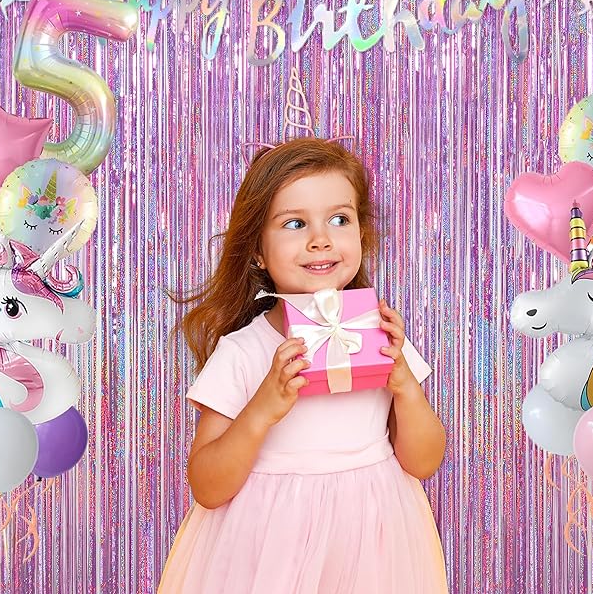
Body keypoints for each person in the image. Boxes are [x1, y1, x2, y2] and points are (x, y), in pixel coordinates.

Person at [159, 138, 448, 593]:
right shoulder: (243, 351)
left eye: (340, 219)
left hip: (372, 543)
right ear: (257, 251)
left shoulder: (381, 336)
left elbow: (424, 461)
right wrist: (261, 410)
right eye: (295, 223)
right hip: (270, 548)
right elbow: (208, 487)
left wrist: (407, 389)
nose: (321, 239)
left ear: (361, 234)